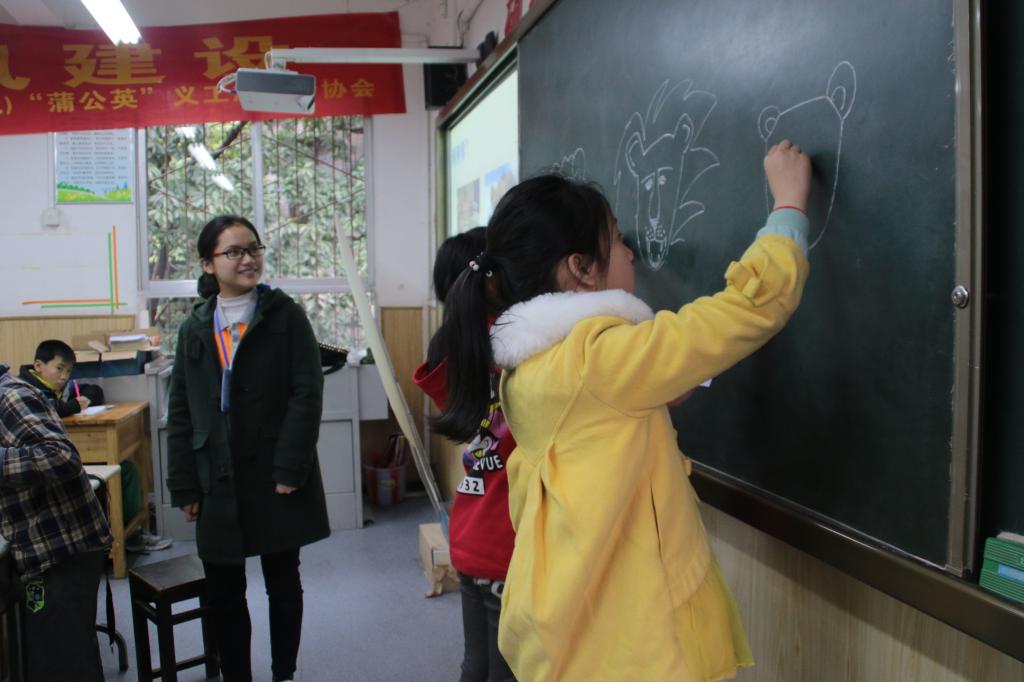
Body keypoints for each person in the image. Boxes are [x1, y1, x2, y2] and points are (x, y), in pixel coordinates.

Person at [432, 140, 812, 680]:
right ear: (582, 269)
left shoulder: (533, 366)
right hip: (629, 641)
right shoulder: (599, 361)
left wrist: (647, 389)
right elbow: (746, 310)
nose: (631, 252)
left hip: (573, 619)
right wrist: (788, 207)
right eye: (616, 238)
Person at [166, 214, 330, 682]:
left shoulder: (285, 316)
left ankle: (284, 673)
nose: (248, 259)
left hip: (275, 472)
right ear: (208, 263)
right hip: (216, 474)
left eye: (253, 248)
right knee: (224, 590)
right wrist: (184, 485)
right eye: (234, 251)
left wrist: (291, 467)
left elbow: (307, 394)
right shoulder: (195, 327)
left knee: (283, 583)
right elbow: (181, 411)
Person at [414, 226, 518, 682]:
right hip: (506, 534)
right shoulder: (518, 345)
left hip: (471, 527)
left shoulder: (451, 349)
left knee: (477, 663)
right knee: (505, 671)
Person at [0, 362, 113, 681]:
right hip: (44, 549)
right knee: (52, 656)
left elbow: (61, 456)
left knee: (65, 662)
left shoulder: (10, 398)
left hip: (62, 551)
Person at [19, 339, 90, 417]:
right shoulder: (22, 388)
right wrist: (71, 406)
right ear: (38, 366)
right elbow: (41, 408)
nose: (64, 377)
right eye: (59, 368)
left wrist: (84, 401)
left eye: (68, 371)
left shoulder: (63, 387)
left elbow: (94, 390)